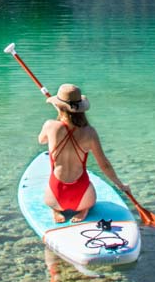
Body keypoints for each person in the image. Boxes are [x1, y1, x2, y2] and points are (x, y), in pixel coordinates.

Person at [39, 83, 127, 223]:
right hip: (82, 196)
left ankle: (56, 210)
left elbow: (42, 140)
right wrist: (120, 184)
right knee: (87, 200)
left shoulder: (50, 125)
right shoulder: (90, 132)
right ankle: (83, 210)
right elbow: (104, 165)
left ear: (60, 107)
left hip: (55, 195)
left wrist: (58, 119)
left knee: (53, 199)